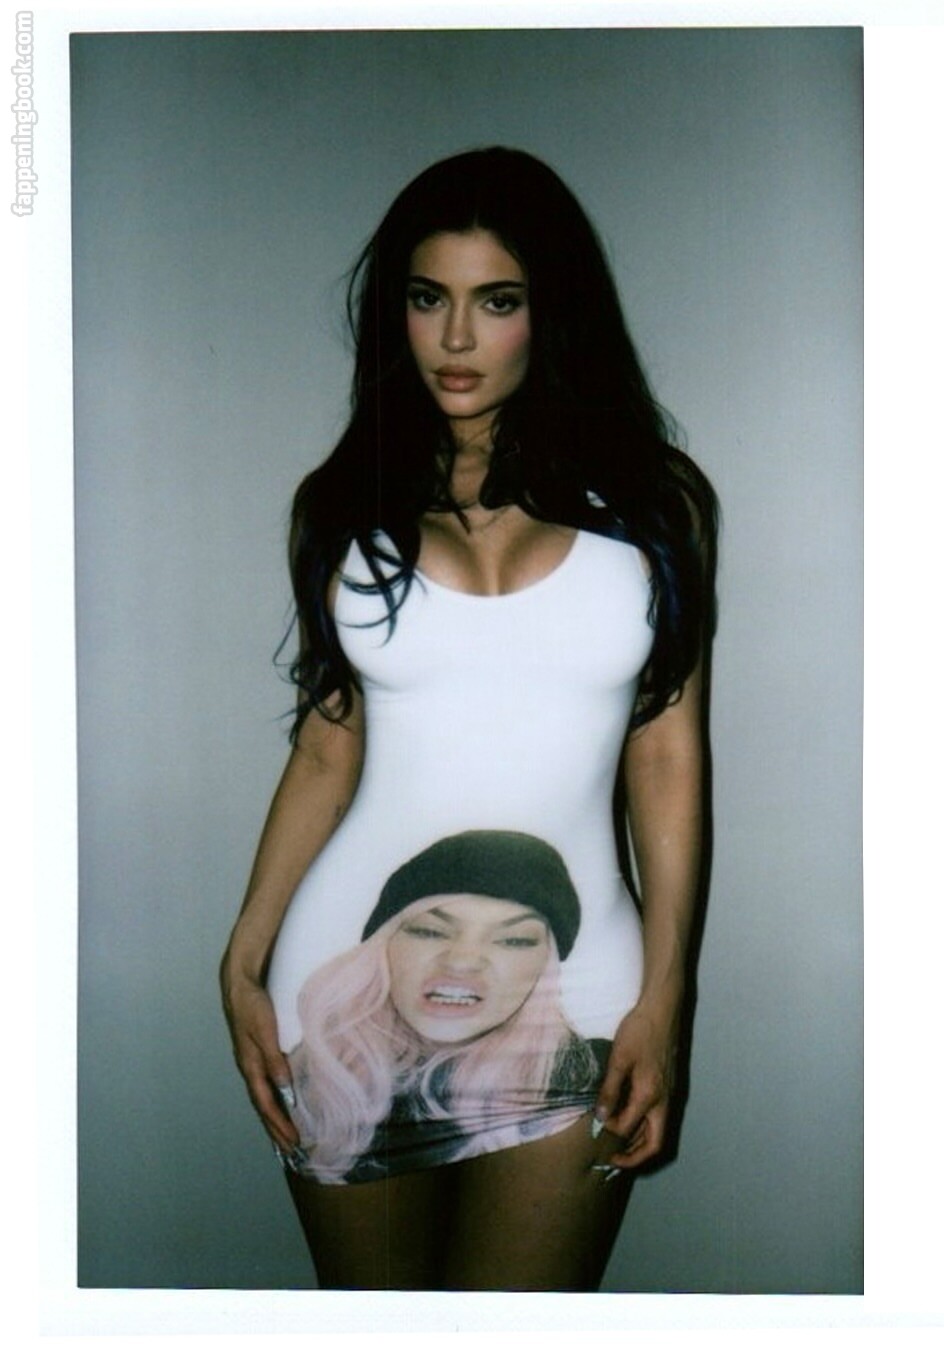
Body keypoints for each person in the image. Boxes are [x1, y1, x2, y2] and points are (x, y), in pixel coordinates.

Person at [220, 145, 717, 1291]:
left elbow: (668, 759)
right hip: (344, 980)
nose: (453, 337)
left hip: (581, 988)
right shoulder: (343, 508)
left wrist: (666, 998)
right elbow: (327, 744)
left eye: (496, 301)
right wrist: (241, 958)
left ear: (551, 313)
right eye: (426, 297)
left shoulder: (656, 510)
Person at [287, 830, 607, 1185]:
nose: (462, 961)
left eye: (513, 940)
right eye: (430, 931)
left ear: (545, 965)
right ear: (382, 946)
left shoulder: (589, 1076)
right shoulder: (318, 1074)